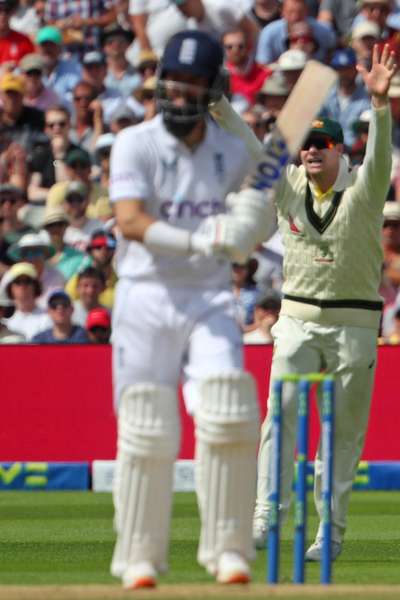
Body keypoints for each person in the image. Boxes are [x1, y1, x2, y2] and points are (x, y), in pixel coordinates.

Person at [107, 31, 271, 588]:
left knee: (228, 404)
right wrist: (198, 240)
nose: (179, 94)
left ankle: (229, 550)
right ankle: (139, 558)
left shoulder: (231, 149)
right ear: (159, 84)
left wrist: (246, 225)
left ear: (210, 88)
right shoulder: (135, 143)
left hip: (207, 298)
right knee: (146, 424)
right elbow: (129, 221)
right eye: (172, 83)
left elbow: (263, 203)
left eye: (192, 84)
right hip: (145, 293)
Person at [252, 46, 397, 562]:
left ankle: (328, 535)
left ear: (340, 151)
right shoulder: (287, 185)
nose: (313, 151)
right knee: (280, 417)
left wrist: (380, 107)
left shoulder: (364, 188)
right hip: (295, 322)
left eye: (324, 144)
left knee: (342, 437)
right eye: (307, 144)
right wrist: (223, 110)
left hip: (354, 327)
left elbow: (381, 157)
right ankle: (268, 511)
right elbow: (258, 153)